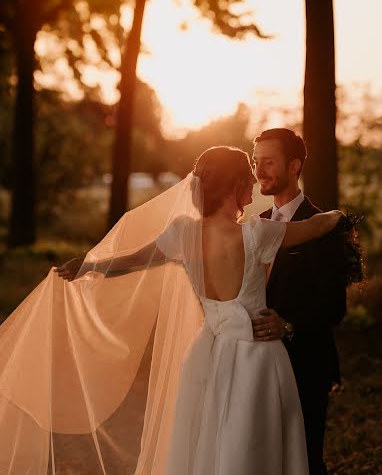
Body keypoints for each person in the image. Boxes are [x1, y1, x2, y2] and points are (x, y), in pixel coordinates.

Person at [51, 146, 343, 475]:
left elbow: (132, 260)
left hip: (208, 354)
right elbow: (316, 227)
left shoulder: (182, 234)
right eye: (248, 179)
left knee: (208, 443)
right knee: (252, 447)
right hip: (257, 359)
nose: (253, 185)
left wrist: (88, 265)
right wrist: (338, 216)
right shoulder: (256, 234)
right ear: (236, 187)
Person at [251, 129, 347, 475]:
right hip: (258, 364)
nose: (259, 171)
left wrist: (288, 324)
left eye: (269, 162)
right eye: (256, 162)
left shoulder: (324, 227)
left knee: (303, 460)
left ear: (294, 166)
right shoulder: (257, 225)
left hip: (306, 363)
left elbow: (334, 306)